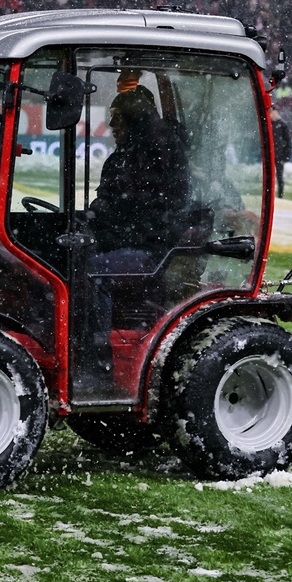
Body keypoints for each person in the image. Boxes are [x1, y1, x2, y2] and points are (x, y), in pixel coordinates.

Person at [83, 87, 189, 386]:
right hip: (128, 242)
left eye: (118, 120)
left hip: (152, 252)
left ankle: (98, 357)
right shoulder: (122, 159)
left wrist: (103, 227)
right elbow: (110, 206)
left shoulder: (158, 159)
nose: (112, 127)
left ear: (136, 120)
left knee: (94, 271)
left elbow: (142, 216)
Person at [270, 107, 292, 198]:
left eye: (276, 113)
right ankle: (269, 196)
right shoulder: (267, 124)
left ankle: (280, 195)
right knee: (269, 176)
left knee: (279, 176)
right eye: (272, 113)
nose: (274, 115)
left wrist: (286, 156)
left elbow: (288, 141)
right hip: (270, 155)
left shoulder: (282, 125)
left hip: (279, 155)